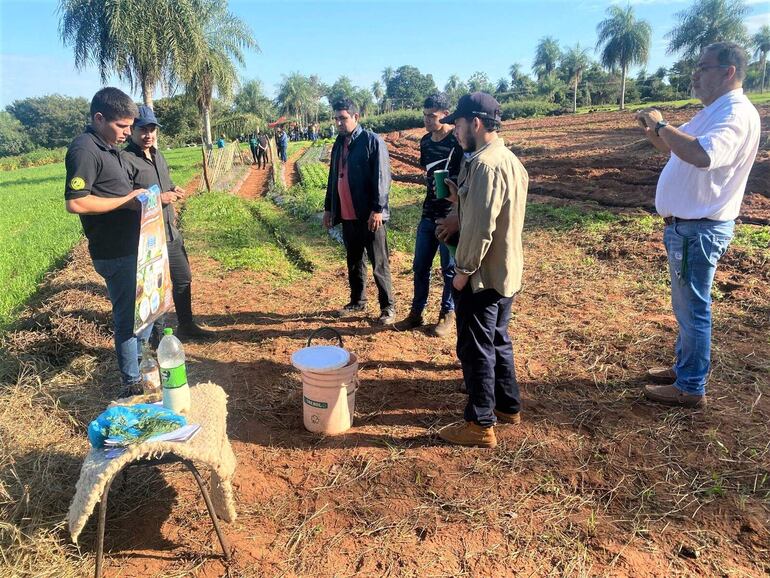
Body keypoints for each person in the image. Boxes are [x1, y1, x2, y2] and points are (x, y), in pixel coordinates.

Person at [636, 42, 760, 409]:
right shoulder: (714, 110)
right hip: (687, 229)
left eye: (702, 67)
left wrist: (661, 123)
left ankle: (691, 387)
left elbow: (702, 154)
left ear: (728, 72)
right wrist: (653, 129)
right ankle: (684, 368)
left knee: (694, 308)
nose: (695, 74)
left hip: (698, 229)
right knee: (686, 306)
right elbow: (673, 147)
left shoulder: (735, 113)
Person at [435, 92, 528, 448]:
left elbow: (480, 229)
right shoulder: (507, 160)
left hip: (482, 276)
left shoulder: (486, 166)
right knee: (498, 340)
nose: (455, 131)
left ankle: (480, 422)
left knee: (475, 349)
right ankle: (508, 405)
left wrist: (462, 271)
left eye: (458, 124)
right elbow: (491, 213)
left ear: (474, 123)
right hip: (506, 272)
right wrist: (461, 197)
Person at [64, 88, 149, 394]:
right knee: (128, 319)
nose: (128, 133)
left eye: (130, 126)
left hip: (134, 246)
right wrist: (127, 200)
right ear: (99, 118)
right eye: (122, 126)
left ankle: (140, 361)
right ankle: (131, 382)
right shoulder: (84, 150)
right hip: (115, 251)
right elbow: (76, 202)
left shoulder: (108, 146)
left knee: (147, 311)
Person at [122, 105, 215, 342]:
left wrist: (172, 189)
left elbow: (165, 182)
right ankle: (157, 338)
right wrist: (158, 199)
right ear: (132, 130)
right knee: (155, 287)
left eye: (152, 129)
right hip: (149, 238)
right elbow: (125, 199)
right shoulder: (125, 160)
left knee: (183, 278)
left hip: (170, 232)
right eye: (143, 129)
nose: (148, 134)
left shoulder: (157, 155)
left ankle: (186, 323)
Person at [323, 98, 396, 325]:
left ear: (356, 117)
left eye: (343, 118)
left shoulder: (371, 141)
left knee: (379, 263)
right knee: (354, 260)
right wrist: (329, 208)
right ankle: (357, 301)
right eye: (336, 118)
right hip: (347, 215)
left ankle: (388, 307)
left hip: (369, 216)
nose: (338, 123)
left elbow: (382, 178)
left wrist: (377, 210)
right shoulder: (339, 143)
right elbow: (333, 178)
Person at [397, 93, 463, 337]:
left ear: (445, 115)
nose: (426, 120)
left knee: (449, 269)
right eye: (424, 115)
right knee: (420, 266)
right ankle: (416, 313)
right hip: (428, 214)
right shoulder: (425, 142)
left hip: (450, 216)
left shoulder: (457, 141)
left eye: (432, 116)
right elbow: (427, 176)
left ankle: (447, 314)